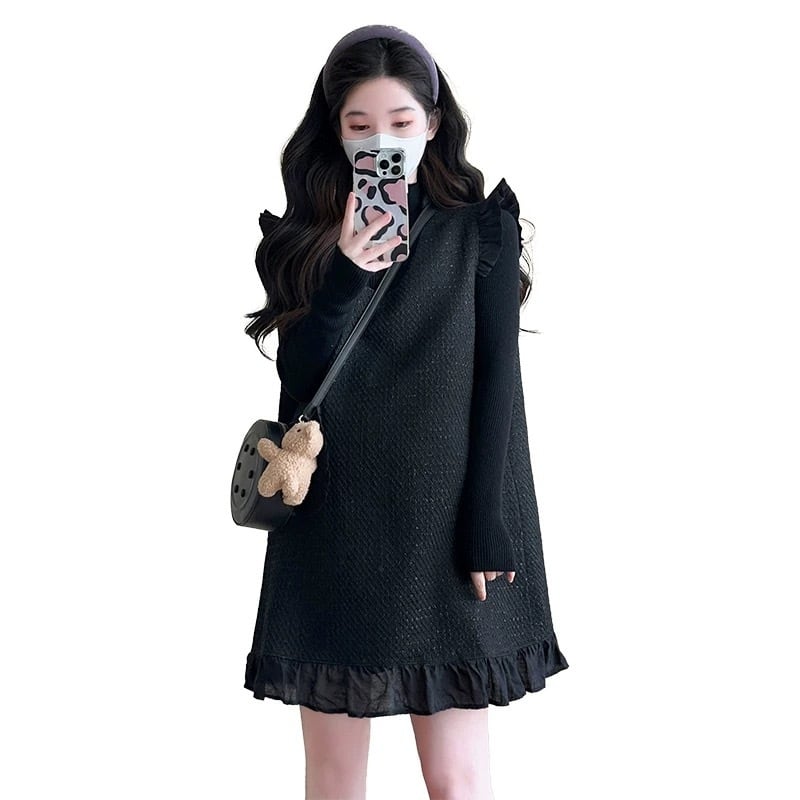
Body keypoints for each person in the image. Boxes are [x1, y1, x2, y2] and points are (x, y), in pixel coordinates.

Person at [242, 24, 570, 800]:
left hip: (447, 521)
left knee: (456, 779)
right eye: (360, 125)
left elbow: (499, 384)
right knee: (334, 778)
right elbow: (299, 381)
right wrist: (346, 272)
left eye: (400, 121)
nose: (381, 141)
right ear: (335, 132)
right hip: (337, 521)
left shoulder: (481, 230)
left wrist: (487, 521)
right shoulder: (304, 237)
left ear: (432, 123)